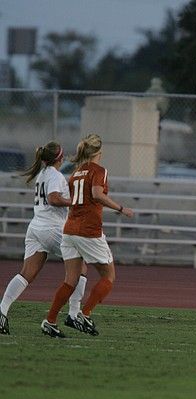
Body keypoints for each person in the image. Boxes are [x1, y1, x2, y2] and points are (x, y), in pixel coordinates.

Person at [41, 134, 134, 338]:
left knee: (70, 280)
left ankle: (50, 320)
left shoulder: (76, 172)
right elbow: (97, 194)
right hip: (88, 230)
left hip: (70, 230)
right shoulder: (99, 170)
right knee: (108, 276)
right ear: (99, 152)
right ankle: (85, 313)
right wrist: (121, 208)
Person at [0, 142, 88, 335]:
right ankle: (74, 314)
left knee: (27, 274)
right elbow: (54, 198)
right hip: (51, 227)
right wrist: (74, 202)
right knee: (80, 266)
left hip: (36, 228)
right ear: (59, 158)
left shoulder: (43, 174)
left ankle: (1, 311)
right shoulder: (55, 175)